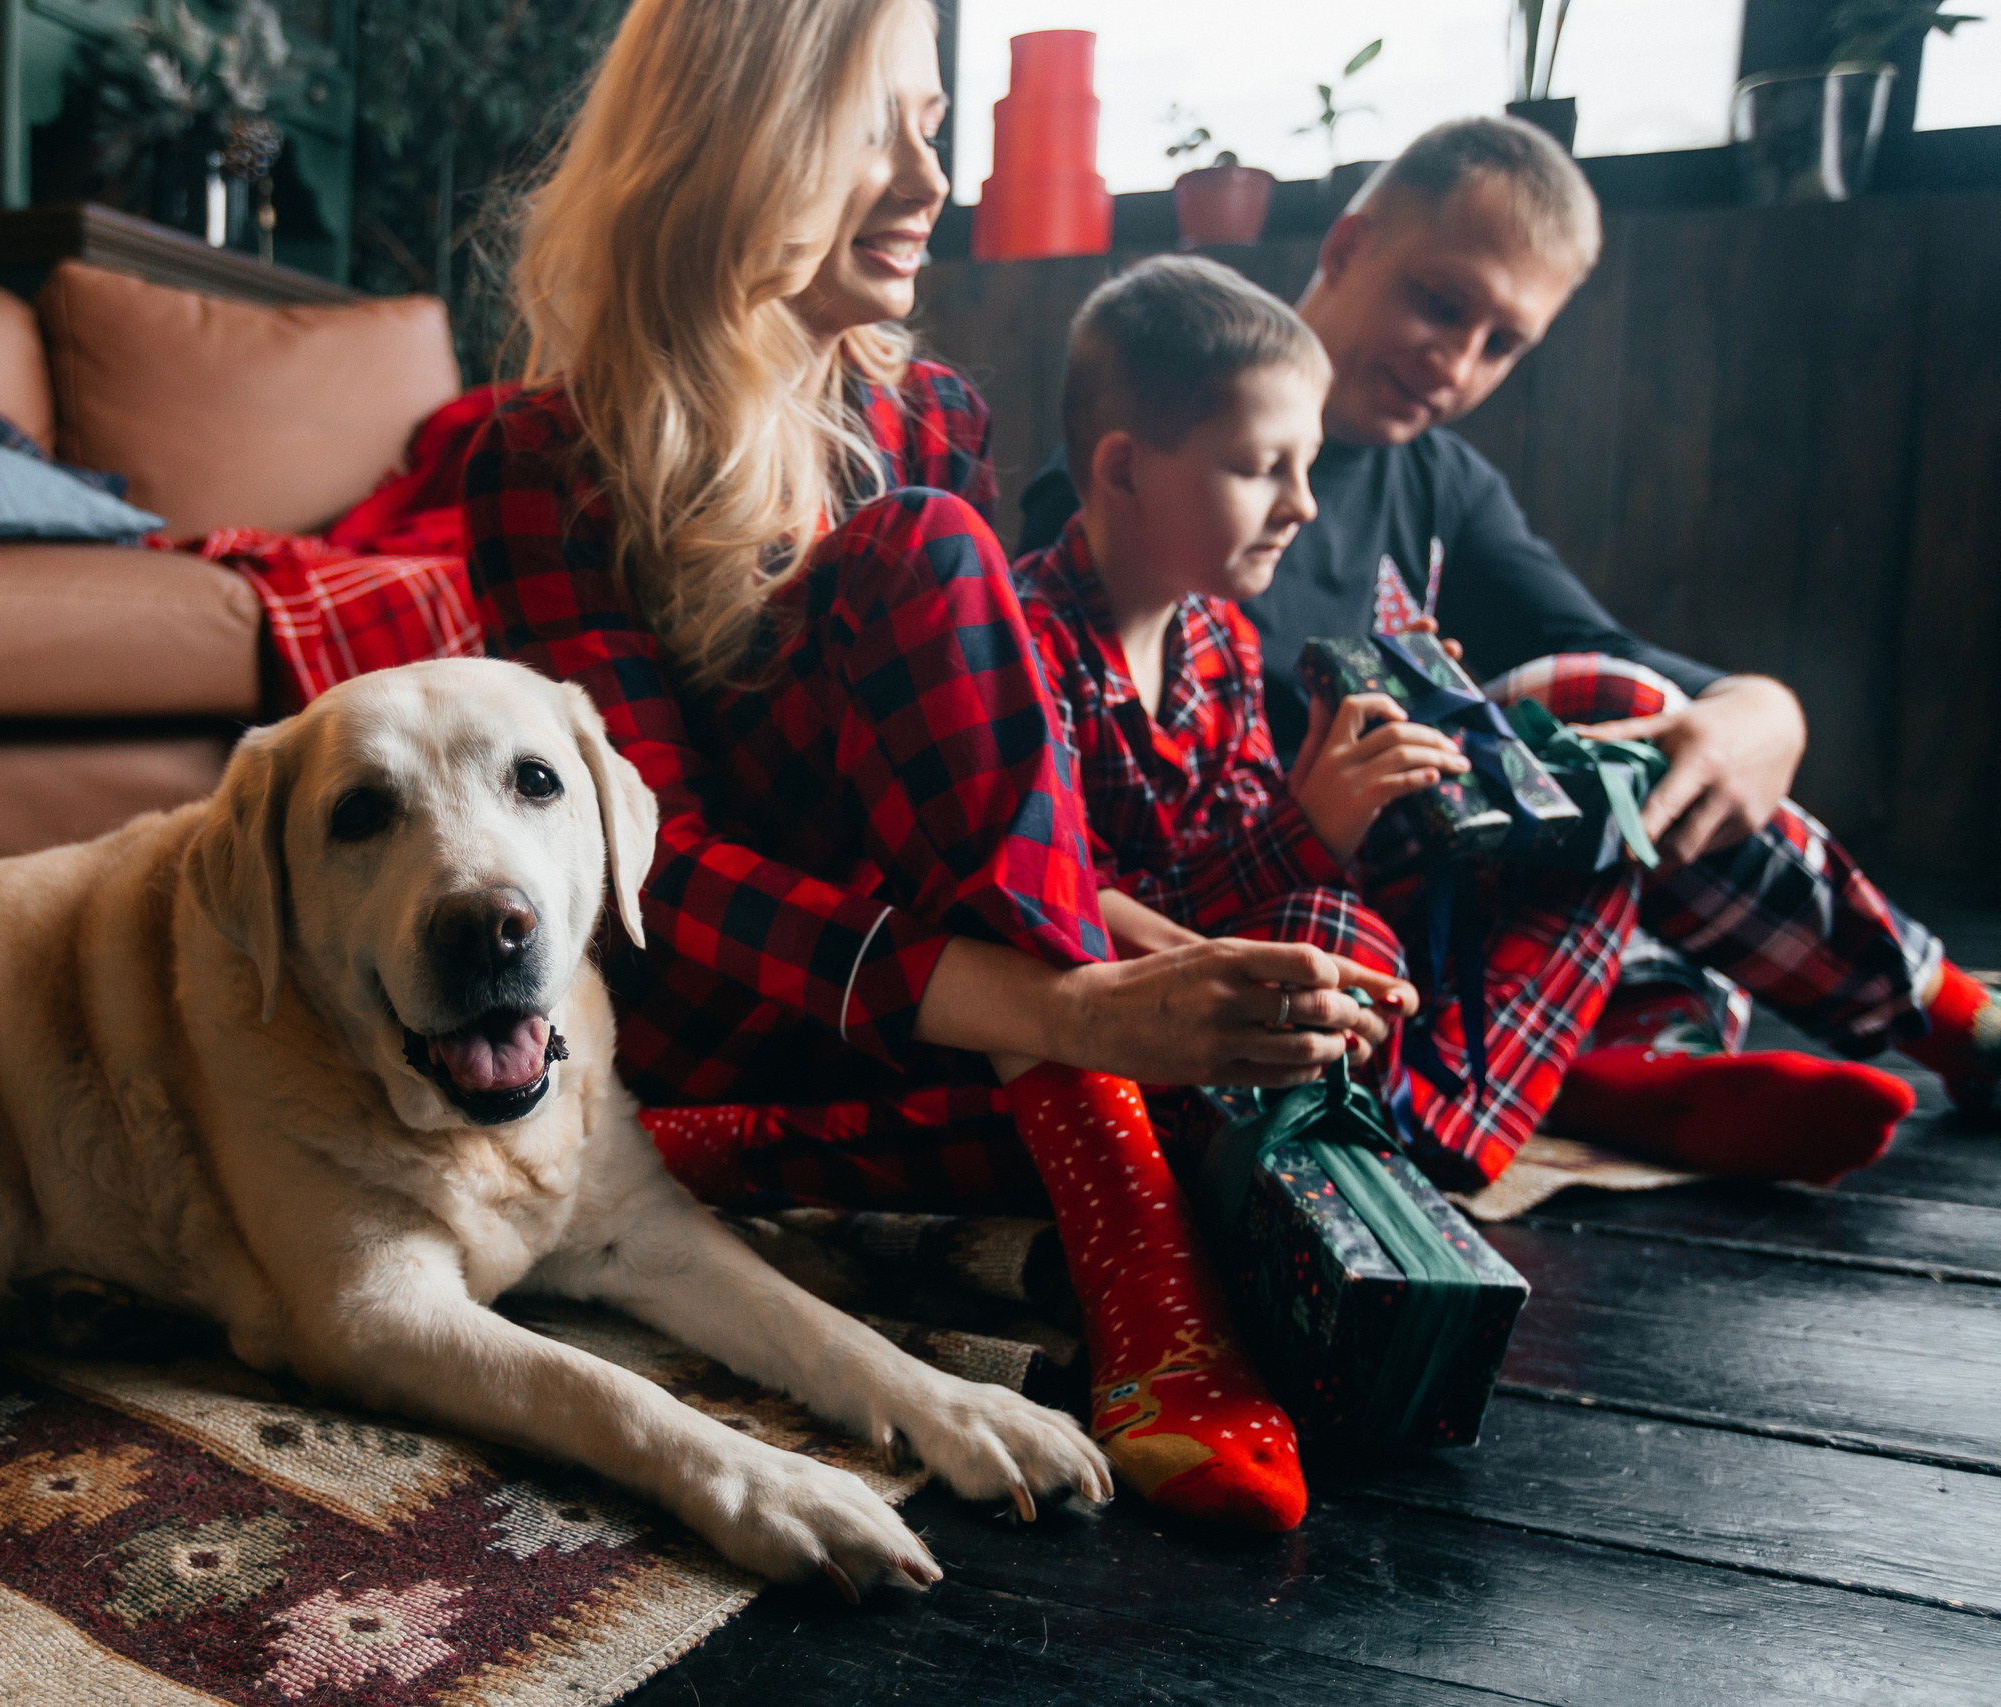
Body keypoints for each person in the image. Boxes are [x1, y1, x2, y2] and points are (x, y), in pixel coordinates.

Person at [466, 0, 1407, 1531]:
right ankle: (1142, 1258)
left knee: (1310, 981)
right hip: (743, 997)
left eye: (934, 130)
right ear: (736, 142)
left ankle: (717, 1167)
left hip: (943, 1013)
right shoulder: (540, 456)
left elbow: (994, 820)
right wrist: (1070, 1010)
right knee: (925, 550)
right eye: (875, 133)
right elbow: (654, 866)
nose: (931, 182)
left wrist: (1181, 964)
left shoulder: (929, 408)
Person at [1018, 117, 1991, 1175]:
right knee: (1576, 737)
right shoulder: (1142, 492)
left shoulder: (1440, 477)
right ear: (1344, 248)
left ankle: (1618, 1066)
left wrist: (1762, 707)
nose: (1458, 361)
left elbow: (1602, 653)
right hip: (1273, 906)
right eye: (1440, 303)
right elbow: (1078, 836)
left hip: (1422, 902)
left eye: (1504, 343)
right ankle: (1918, 1017)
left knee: (1619, 771)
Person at [1018, 253, 1645, 1192]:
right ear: (1123, 469)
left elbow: (1231, 859)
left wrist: (1344, 784)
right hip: (1120, 1003)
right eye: (1262, 467)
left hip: (1234, 951)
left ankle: (1421, 1114)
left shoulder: (1218, 636)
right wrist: (1310, 835)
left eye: (1306, 466)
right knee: (1327, 933)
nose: (1302, 505)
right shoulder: (1023, 643)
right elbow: (1066, 908)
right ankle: (1424, 1116)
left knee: (1593, 843)